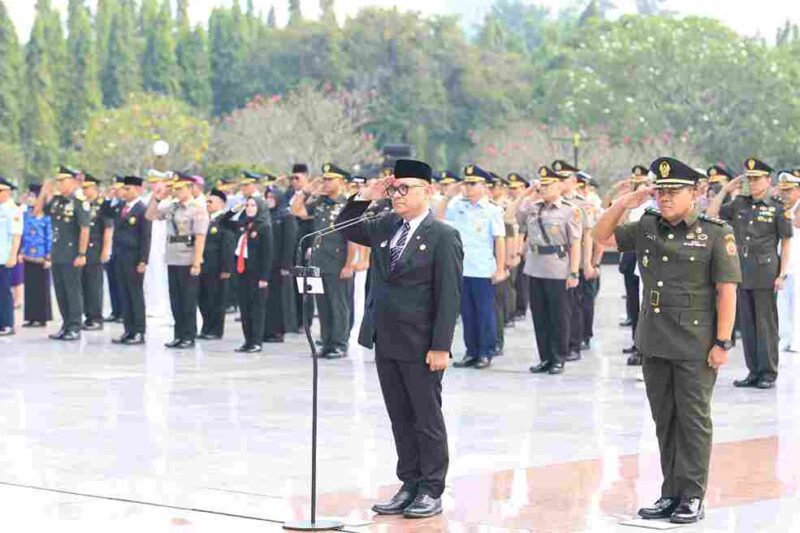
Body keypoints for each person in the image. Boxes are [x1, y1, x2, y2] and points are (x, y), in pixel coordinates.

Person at [594, 156, 740, 525]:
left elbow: (727, 291)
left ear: (696, 192)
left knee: (692, 421)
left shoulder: (715, 232)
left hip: (695, 343)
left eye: (673, 191)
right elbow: (599, 236)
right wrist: (624, 203)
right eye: (660, 191)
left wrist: (722, 343)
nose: (665, 198)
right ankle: (670, 492)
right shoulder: (646, 226)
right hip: (654, 339)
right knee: (665, 420)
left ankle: (692, 495)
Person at [336, 159, 463, 520]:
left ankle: (431, 488)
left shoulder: (443, 235)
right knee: (399, 417)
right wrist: (365, 197)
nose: (398, 195)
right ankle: (408, 482)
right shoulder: (387, 224)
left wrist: (441, 346)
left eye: (406, 188)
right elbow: (346, 226)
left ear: (429, 191)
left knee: (426, 417)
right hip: (386, 336)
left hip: (421, 343)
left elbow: (449, 296)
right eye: (395, 188)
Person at [706, 158, 792, 389]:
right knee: (748, 325)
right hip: (741, 271)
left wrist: (782, 274)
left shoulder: (776, 207)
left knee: (766, 325)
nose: (752, 183)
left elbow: (785, 242)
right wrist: (725, 189)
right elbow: (711, 215)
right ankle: (753, 371)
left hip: (765, 271)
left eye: (756, 179)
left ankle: (768, 372)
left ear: (767, 180)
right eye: (749, 179)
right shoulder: (739, 204)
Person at [509, 166, 582, 375]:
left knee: (559, 316)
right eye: (542, 184)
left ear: (559, 185)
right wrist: (527, 192)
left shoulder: (569, 210)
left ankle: (559, 357)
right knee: (540, 316)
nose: (543, 188)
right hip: (535, 267)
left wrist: (574, 272)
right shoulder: (533, 207)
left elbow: (575, 243)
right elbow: (510, 214)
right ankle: (545, 358)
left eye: (548, 184)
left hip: (558, 268)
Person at [437, 164, 506, 370]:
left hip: (483, 269)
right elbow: (439, 219)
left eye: (472, 183)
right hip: (462, 268)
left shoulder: (492, 210)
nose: (467, 187)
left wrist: (500, 268)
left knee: (484, 313)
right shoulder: (458, 206)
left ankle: (486, 351)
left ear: (484, 185)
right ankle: (471, 351)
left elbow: (499, 239)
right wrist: (448, 196)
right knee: (467, 313)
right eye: (465, 183)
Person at [290, 164, 357, 359]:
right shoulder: (320, 202)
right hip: (319, 261)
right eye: (324, 179)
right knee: (323, 305)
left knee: (339, 304)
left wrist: (349, 264)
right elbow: (296, 210)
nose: (326, 183)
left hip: (338, 261)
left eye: (330, 179)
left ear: (341, 181)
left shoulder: (348, 204)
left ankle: (339, 344)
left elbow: (353, 236)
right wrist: (306, 190)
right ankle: (327, 342)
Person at [146, 174, 209, 349]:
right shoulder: (171, 208)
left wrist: (197, 262)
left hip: (188, 258)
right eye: (174, 188)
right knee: (175, 300)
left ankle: (189, 336)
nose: (176, 192)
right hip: (173, 257)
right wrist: (157, 197)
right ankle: (178, 335)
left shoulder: (197, 209)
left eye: (180, 188)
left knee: (188, 300)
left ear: (190, 188)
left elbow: (200, 237)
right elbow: (150, 215)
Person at [35, 167, 91, 341]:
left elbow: (84, 229)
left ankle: (74, 326)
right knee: (60, 292)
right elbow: (37, 212)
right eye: (58, 181)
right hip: (57, 252)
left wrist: (82, 253)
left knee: (72, 291)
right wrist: (44, 191)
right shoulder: (58, 201)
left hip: (72, 253)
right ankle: (66, 324)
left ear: (73, 182)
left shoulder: (79, 201)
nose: (60, 184)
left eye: (63, 181)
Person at [552, 160, 595, 362]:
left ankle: (574, 345)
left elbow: (588, 236)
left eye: (564, 178)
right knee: (558, 308)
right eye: (557, 178)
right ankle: (559, 344)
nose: (560, 182)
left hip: (574, 263)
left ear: (574, 181)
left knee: (574, 306)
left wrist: (586, 263)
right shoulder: (549, 202)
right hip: (553, 264)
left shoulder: (581, 204)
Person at [220, 196, 273, 353]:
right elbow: (222, 222)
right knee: (244, 307)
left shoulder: (264, 227)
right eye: (248, 205)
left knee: (257, 308)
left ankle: (256, 341)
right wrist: (235, 209)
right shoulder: (243, 224)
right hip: (241, 271)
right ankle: (247, 340)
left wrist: (264, 277)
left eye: (253, 205)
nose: (249, 208)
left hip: (256, 273)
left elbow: (267, 254)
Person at [111, 176, 151, 345]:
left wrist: (143, 260)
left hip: (134, 257)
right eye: (124, 189)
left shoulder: (143, 209)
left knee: (135, 294)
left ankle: (139, 331)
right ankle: (128, 330)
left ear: (138, 190)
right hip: (120, 256)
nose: (124, 192)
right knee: (124, 293)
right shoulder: (121, 207)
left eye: (128, 189)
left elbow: (146, 237)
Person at [198, 189, 235, 340]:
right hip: (203, 265)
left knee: (216, 299)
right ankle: (206, 327)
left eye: (210, 201)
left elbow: (228, 245)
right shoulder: (205, 220)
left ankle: (215, 330)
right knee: (203, 298)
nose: (207, 204)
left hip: (217, 267)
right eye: (206, 201)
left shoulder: (225, 221)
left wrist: (226, 268)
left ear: (221, 204)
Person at [264, 185, 298, 343]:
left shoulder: (286, 216)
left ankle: (278, 331)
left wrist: (286, 265)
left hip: (279, 265)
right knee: (267, 298)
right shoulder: (264, 215)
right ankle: (267, 329)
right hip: (266, 263)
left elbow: (289, 242)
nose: (269, 200)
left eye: (272, 197)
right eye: (267, 197)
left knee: (279, 299)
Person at [80, 174, 113, 331]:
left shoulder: (103, 205)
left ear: (95, 188)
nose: (84, 191)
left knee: (94, 285)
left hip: (96, 248)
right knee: (84, 284)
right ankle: (87, 316)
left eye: (86, 188)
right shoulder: (84, 204)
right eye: (83, 188)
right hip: (83, 249)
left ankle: (96, 318)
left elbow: (108, 228)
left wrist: (106, 249)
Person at [20, 183, 52, 328]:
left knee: (41, 287)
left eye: (33, 196)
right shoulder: (26, 214)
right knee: (30, 287)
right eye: (29, 195)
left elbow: (50, 236)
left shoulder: (46, 217)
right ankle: (31, 317)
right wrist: (21, 251)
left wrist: (49, 256)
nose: (30, 199)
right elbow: (22, 234)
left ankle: (42, 317)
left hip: (41, 256)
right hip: (28, 255)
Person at [289, 163, 314, 330]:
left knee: (306, 286)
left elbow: (309, 219)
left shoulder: (312, 196)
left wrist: (312, 245)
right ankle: (294, 319)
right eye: (292, 178)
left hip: (307, 243)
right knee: (293, 284)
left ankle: (305, 321)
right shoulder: (288, 195)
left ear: (307, 178)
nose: (294, 181)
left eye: (298, 178)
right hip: (292, 244)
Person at [777, 169, 800, 352]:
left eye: (789, 190)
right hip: (785, 264)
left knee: (797, 303)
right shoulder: (782, 208)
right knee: (783, 303)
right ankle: (786, 337)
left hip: (798, 263)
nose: (785, 194)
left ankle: (797, 339)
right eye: (783, 190)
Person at [0, 177, 22, 336]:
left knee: (4, 291)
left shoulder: (13, 209)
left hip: (4, 256)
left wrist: (13, 256)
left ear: (7, 191)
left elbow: (16, 235)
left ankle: (8, 323)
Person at [103, 176, 125, 322]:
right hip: (112, 249)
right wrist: (108, 198)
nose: (116, 190)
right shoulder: (113, 205)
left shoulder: (125, 205)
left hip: (122, 249)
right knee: (112, 281)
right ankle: (115, 310)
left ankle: (123, 312)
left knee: (122, 282)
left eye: (118, 188)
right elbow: (104, 214)